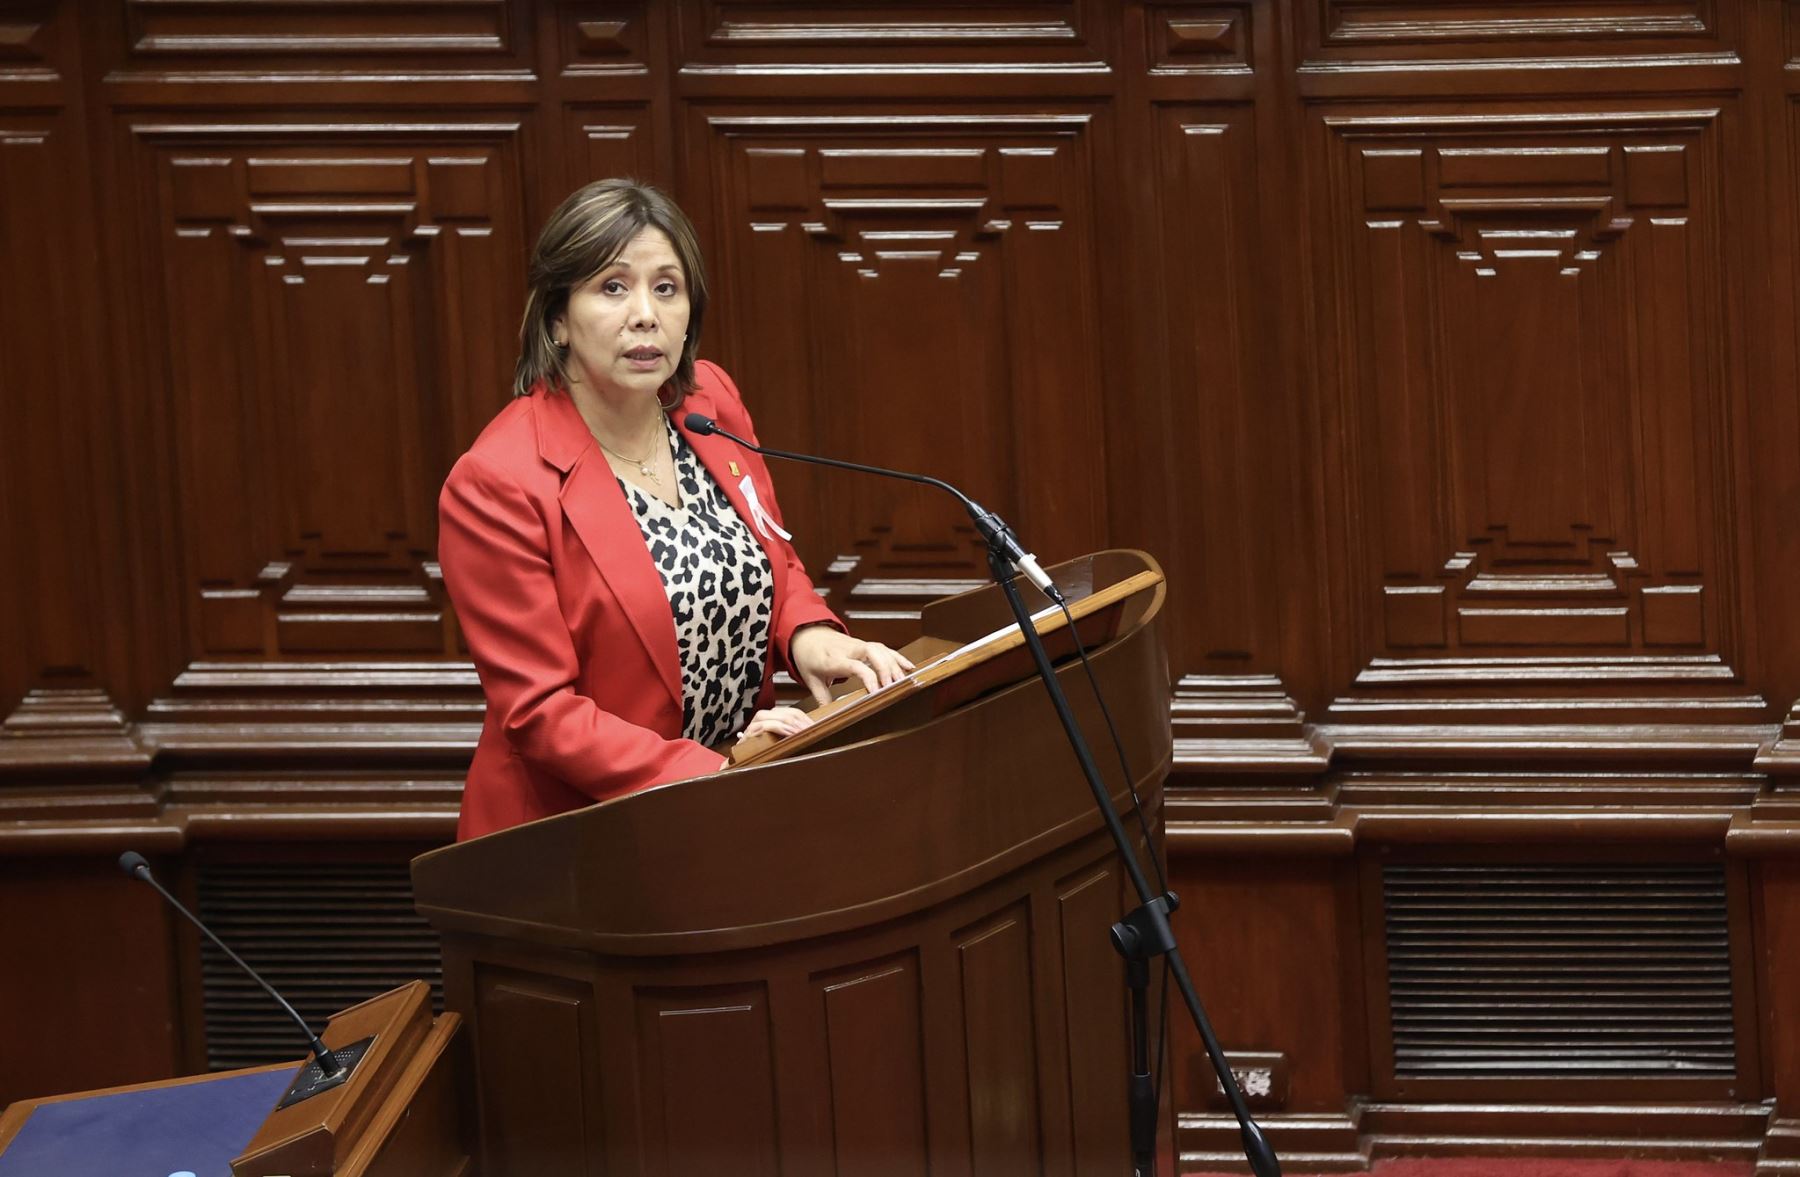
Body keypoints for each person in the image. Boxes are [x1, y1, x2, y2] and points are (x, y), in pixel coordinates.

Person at [438, 178, 912, 840]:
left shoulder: (706, 402)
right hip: (576, 843)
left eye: (666, 287)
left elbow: (772, 559)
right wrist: (711, 769)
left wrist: (806, 633)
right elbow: (540, 713)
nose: (645, 314)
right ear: (556, 318)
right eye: (612, 287)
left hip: (735, 803)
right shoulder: (498, 483)